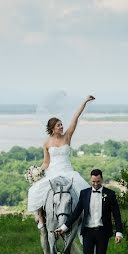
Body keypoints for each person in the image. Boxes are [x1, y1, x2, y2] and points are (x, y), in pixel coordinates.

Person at [26, 95, 94, 228]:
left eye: (62, 124)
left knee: (86, 194)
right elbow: (46, 163)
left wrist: (85, 101)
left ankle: (86, 222)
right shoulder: (46, 143)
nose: (62, 127)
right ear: (52, 128)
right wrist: (37, 172)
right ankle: (40, 218)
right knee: (34, 190)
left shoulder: (67, 136)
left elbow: (75, 117)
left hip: (68, 172)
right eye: (59, 125)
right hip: (53, 172)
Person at [61, 168, 123, 254]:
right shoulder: (84, 193)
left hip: (102, 232)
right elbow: (76, 213)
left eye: (98, 181)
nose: (95, 184)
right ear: (90, 179)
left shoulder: (110, 194)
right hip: (88, 232)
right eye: (93, 181)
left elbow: (116, 214)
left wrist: (119, 232)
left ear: (102, 179)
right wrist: (64, 227)